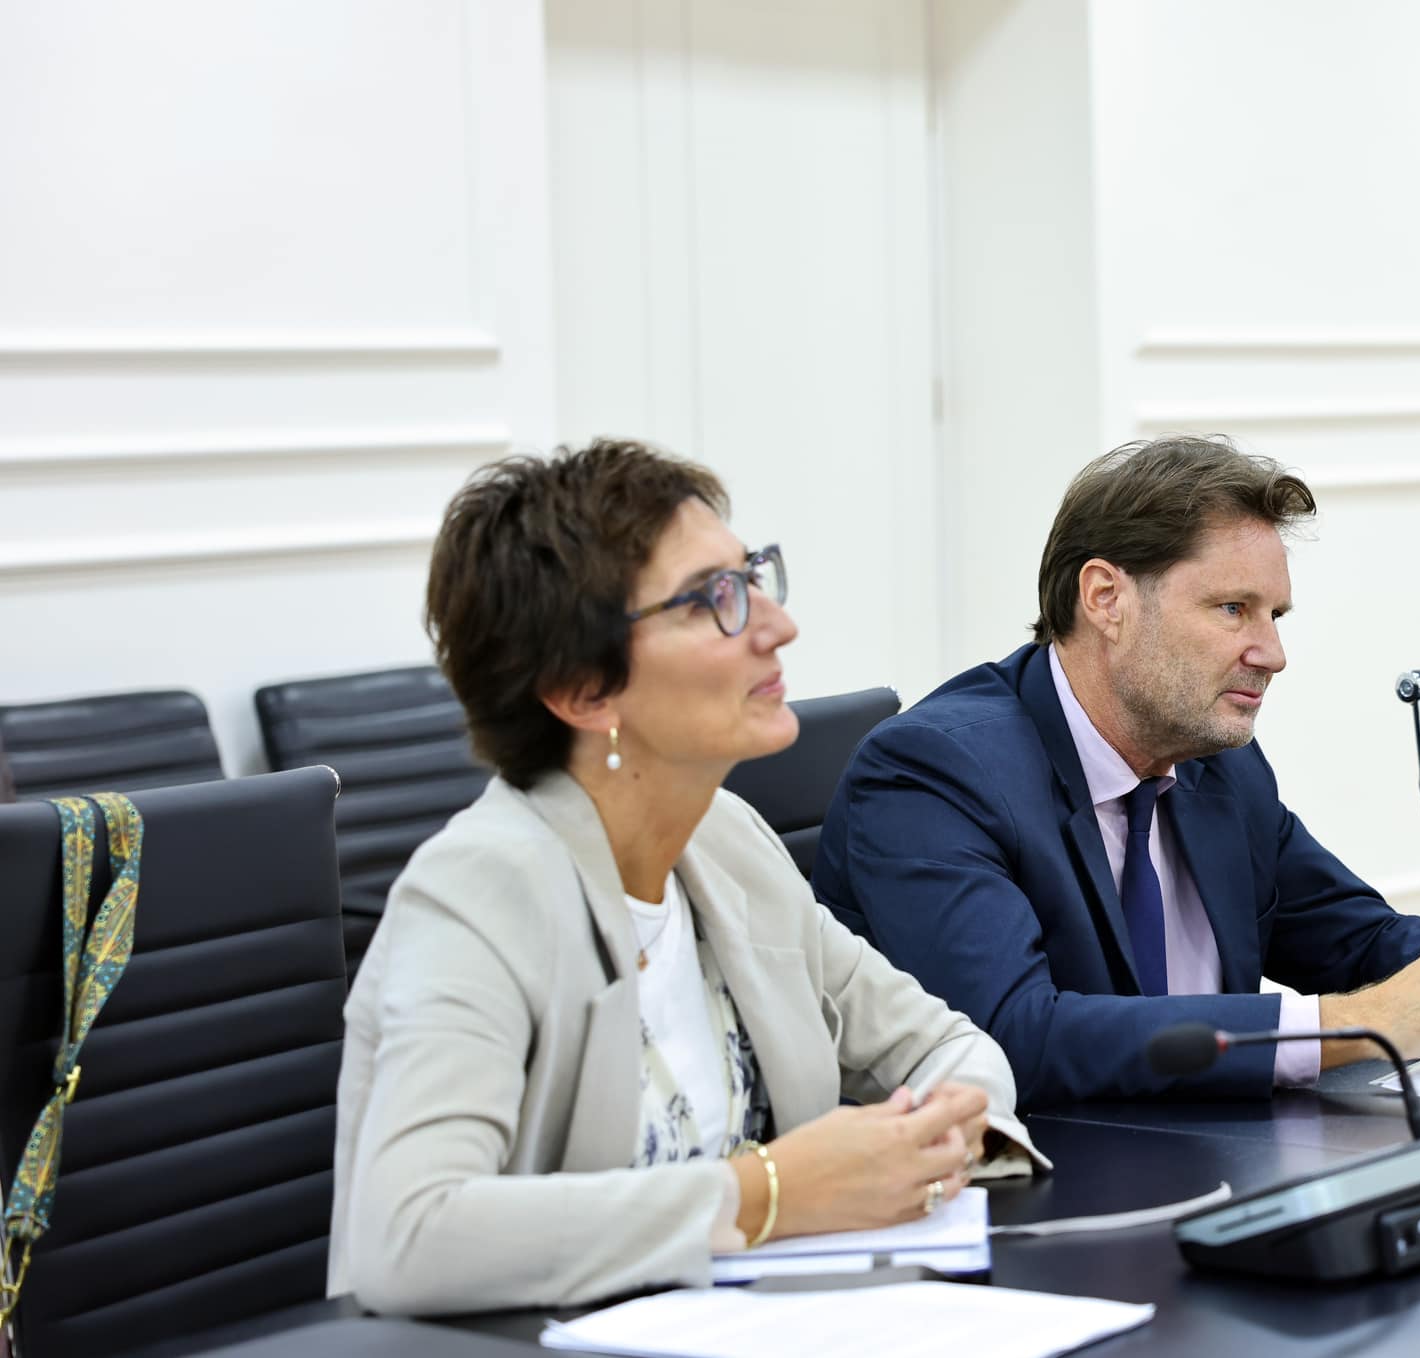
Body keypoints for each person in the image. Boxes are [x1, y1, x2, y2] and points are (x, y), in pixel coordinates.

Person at [331, 440, 1040, 1316]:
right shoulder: (478, 891)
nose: (777, 626)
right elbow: (409, 1237)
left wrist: (935, 1137)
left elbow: (944, 1046)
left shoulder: (726, 841)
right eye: (715, 599)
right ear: (582, 690)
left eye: (753, 578)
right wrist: (768, 1192)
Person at [812, 435, 1420, 1109]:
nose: (1273, 653)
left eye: (1275, 615)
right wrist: (1353, 1026)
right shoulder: (934, 773)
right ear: (1106, 598)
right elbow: (1011, 1037)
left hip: (1206, 1165)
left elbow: (1356, 937)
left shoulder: (1216, 762)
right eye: (1233, 609)